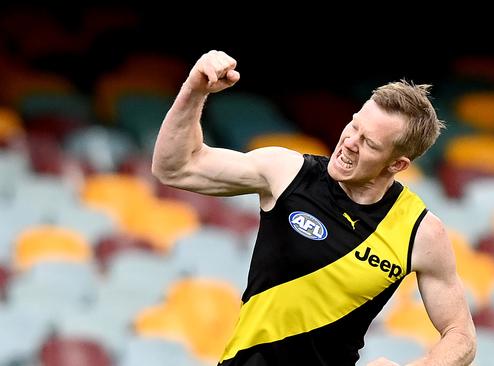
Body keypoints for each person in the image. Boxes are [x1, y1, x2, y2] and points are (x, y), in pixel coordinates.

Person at [152, 50, 476, 366]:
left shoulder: (420, 232)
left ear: (398, 164)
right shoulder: (288, 173)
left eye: (370, 143)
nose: (350, 141)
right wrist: (195, 89)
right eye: (354, 126)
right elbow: (176, 167)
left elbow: (461, 336)